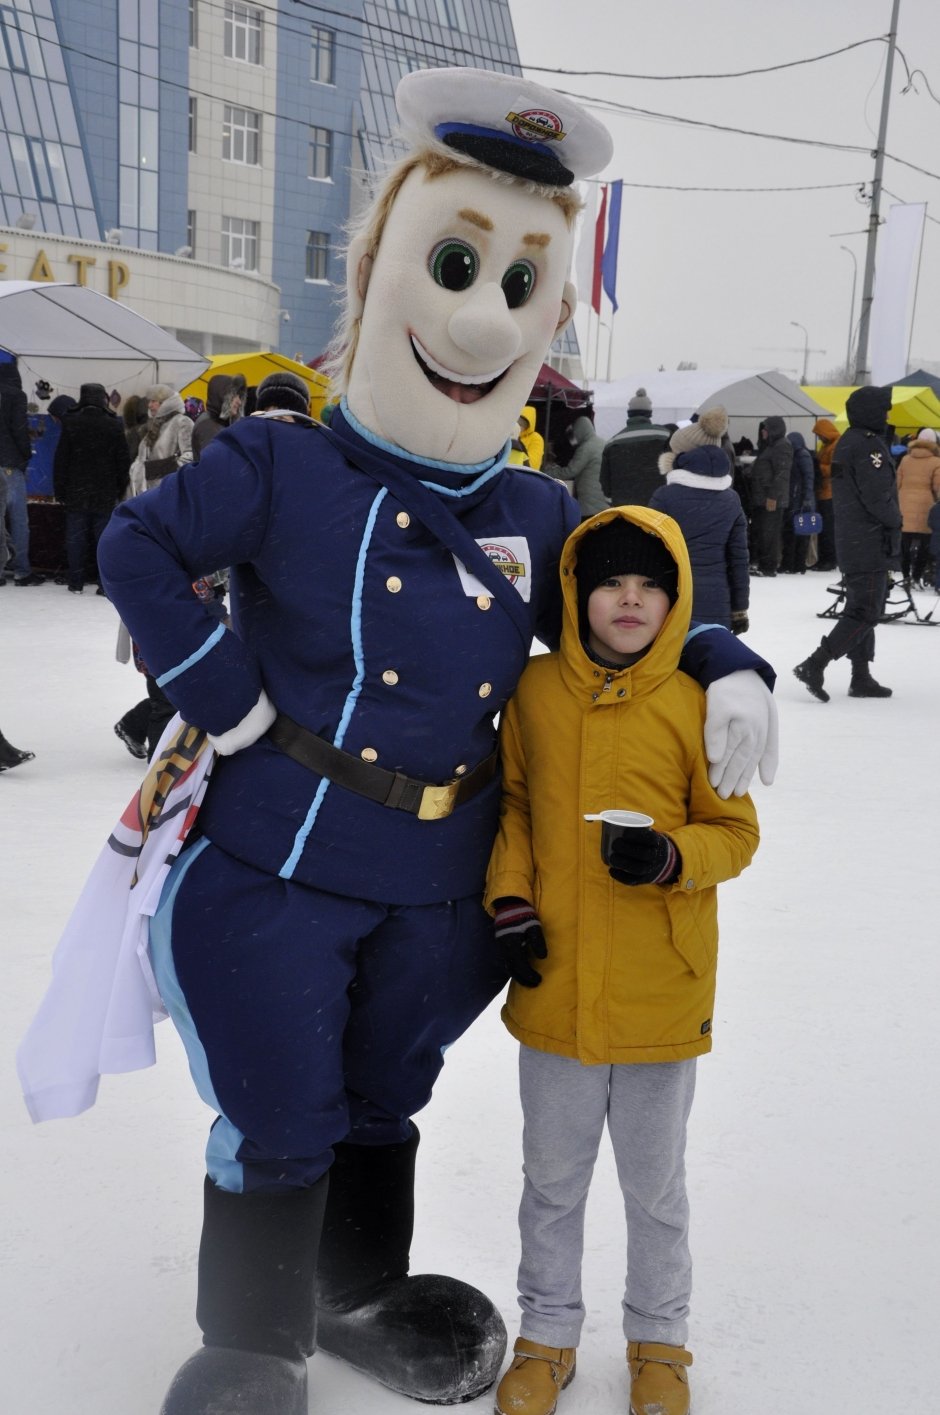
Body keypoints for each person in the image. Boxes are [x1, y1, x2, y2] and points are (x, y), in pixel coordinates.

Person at [38, 67, 775, 1415]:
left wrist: (729, 662)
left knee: (386, 1091)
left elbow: (639, 594)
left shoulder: (534, 506)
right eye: (453, 263)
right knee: (280, 1105)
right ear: (382, 271)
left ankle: (358, 1289)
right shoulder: (284, 464)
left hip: (442, 884)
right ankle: (256, 1333)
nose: (479, 312)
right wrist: (223, 689)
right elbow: (139, 540)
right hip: (283, 853)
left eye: (518, 286)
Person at [486, 507, 759, 1415]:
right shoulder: (533, 694)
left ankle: (660, 1343)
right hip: (556, 981)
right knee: (552, 1181)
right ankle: (546, 1336)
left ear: (674, 598)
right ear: (577, 594)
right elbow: (516, 810)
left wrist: (676, 856)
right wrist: (511, 904)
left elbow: (736, 832)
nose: (630, 599)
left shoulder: (695, 701)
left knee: (655, 1184)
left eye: (648, 585)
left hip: (659, 989)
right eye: (610, 583)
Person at [794, 385, 901, 702]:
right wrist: (896, 520)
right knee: (866, 611)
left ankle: (861, 675)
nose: (886, 415)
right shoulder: (868, 447)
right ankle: (816, 664)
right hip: (869, 539)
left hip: (856, 537)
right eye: (883, 409)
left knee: (866, 606)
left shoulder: (848, 443)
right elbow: (877, 496)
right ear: (870, 411)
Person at [649, 408, 749, 632]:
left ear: (683, 456)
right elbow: (739, 561)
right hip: (718, 602)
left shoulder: (664, 497)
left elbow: (649, 554)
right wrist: (739, 609)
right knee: (711, 662)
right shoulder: (731, 500)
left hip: (672, 599)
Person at [52, 383, 130, 594]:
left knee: (76, 539)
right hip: (105, 492)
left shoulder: (71, 422)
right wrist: (120, 487)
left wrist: (60, 489)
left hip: (76, 491)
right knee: (103, 540)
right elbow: (123, 461)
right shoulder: (114, 424)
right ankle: (103, 584)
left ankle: (76, 581)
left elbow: (61, 460)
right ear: (102, 399)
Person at [0, 357, 42, 586]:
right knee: (18, 521)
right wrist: (26, 456)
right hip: (9, 465)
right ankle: (22, 570)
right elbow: (19, 430)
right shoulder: (15, 395)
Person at [600, 388, 671, 507]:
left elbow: (605, 483)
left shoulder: (613, 443)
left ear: (629, 414)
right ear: (650, 414)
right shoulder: (665, 436)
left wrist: (614, 502)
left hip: (625, 509)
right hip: (657, 507)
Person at [747, 417, 793, 577]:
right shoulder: (771, 446)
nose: (762, 432)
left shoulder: (782, 446)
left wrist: (773, 497)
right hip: (763, 497)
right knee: (763, 532)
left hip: (771, 499)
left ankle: (768, 566)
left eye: (765, 429)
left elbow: (782, 474)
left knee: (769, 534)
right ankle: (763, 563)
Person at [895, 427, 940, 587]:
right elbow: (938, 487)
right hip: (925, 507)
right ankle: (916, 576)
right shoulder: (936, 462)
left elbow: (897, 484)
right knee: (924, 545)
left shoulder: (906, 460)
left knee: (904, 544)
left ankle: (906, 575)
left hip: (903, 505)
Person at [129, 385, 193, 495]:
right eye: (149, 401)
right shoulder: (154, 426)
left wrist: (160, 469)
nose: (149, 405)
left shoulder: (182, 422)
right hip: (150, 495)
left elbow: (190, 457)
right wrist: (139, 469)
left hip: (170, 492)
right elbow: (141, 459)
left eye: (154, 401)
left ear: (166, 402)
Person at [778, 430, 816, 575]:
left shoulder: (802, 455)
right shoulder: (798, 454)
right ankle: (795, 564)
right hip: (797, 499)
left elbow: (808, 478)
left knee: (798, 534)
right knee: (796, 533)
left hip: (800, 501)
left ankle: (796, 564)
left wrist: (806, 498)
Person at [191, 373, 247, 461]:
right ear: (222, 396)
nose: (239, 401)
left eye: (240, 396)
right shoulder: (208, 426)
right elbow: (215, 464)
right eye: (234, 396)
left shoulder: (218, 422)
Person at [810, 417, 840, 571]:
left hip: (829, 493)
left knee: (828, 529)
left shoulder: (835, 446)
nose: (819, 437)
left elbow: (835, 469)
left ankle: (829, 559)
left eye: (820, 434)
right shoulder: (827, 445)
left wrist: (818, 466)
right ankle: (825, 558)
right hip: (824, 491)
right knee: (824, 528)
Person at [564, 413, 607, 518]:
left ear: (579, 431)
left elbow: (571, 471)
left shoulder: (586, 448)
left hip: (589, 503)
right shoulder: (603, 443)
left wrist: (547, 472)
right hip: (604, 500)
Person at [517, 406, 544, 470]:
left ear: (528, 426)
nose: (517, 426)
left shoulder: (536, 438)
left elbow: (532, 464)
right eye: (516, 422)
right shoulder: (508, 435)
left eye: (521, 424)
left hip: (527, 474)